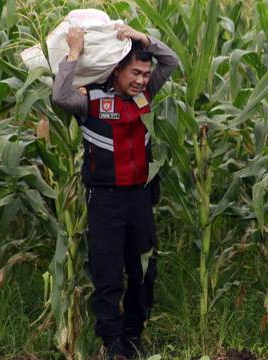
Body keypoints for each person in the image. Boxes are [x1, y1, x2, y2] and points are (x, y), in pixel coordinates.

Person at [52, 24, 179, 359]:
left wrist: (144, 39)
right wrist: (75, 53)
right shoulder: (91, 99)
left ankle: (134, 335)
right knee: (108, 274)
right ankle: (112, 342)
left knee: (143, 270)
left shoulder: (146, 93)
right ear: (117, 69)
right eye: (135, 72)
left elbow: (172, 62)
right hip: (105, 199)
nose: (140, 79)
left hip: (140, 197)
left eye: (144, 73)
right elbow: (59, 96)